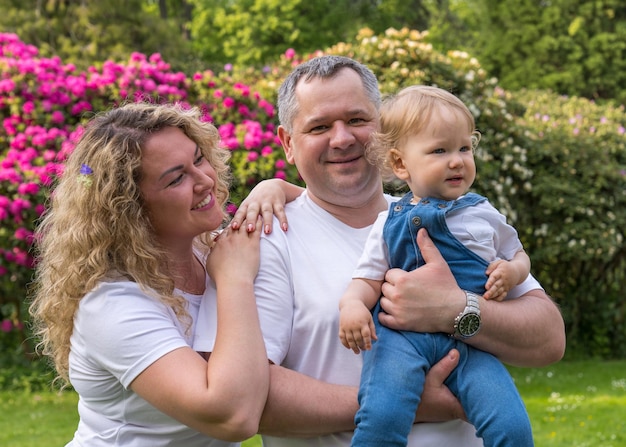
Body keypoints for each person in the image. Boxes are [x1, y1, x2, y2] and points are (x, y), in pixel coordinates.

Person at [199, 55, 566, 447]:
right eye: (320, 126)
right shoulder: (265, 239)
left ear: (386, 131)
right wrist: (405, 403)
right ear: (288, 143)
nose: (342, 138)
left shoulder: (451, 215)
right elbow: (242, 399)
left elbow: (549, 339)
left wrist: (457, 310)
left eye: (358, 120)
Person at [29, 102, 270, 446]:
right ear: (130, 209)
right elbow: (233, 415)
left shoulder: (213, 255)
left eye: (199, 159)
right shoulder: (112, 303)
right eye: (176, 178)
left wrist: (274, 187)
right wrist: (235, 280)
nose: (204, 180)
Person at [338, 85, 534, 446]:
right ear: (400, 164)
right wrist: (351, 305)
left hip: (470, 345)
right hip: (400, 340)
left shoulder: (484, 214)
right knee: (382, 415)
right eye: (440, 150)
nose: (457, 160)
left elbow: (519, 255)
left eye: (464, 147)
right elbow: (367, 277)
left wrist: (512, 272)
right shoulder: (389, 220)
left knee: (512, 426)